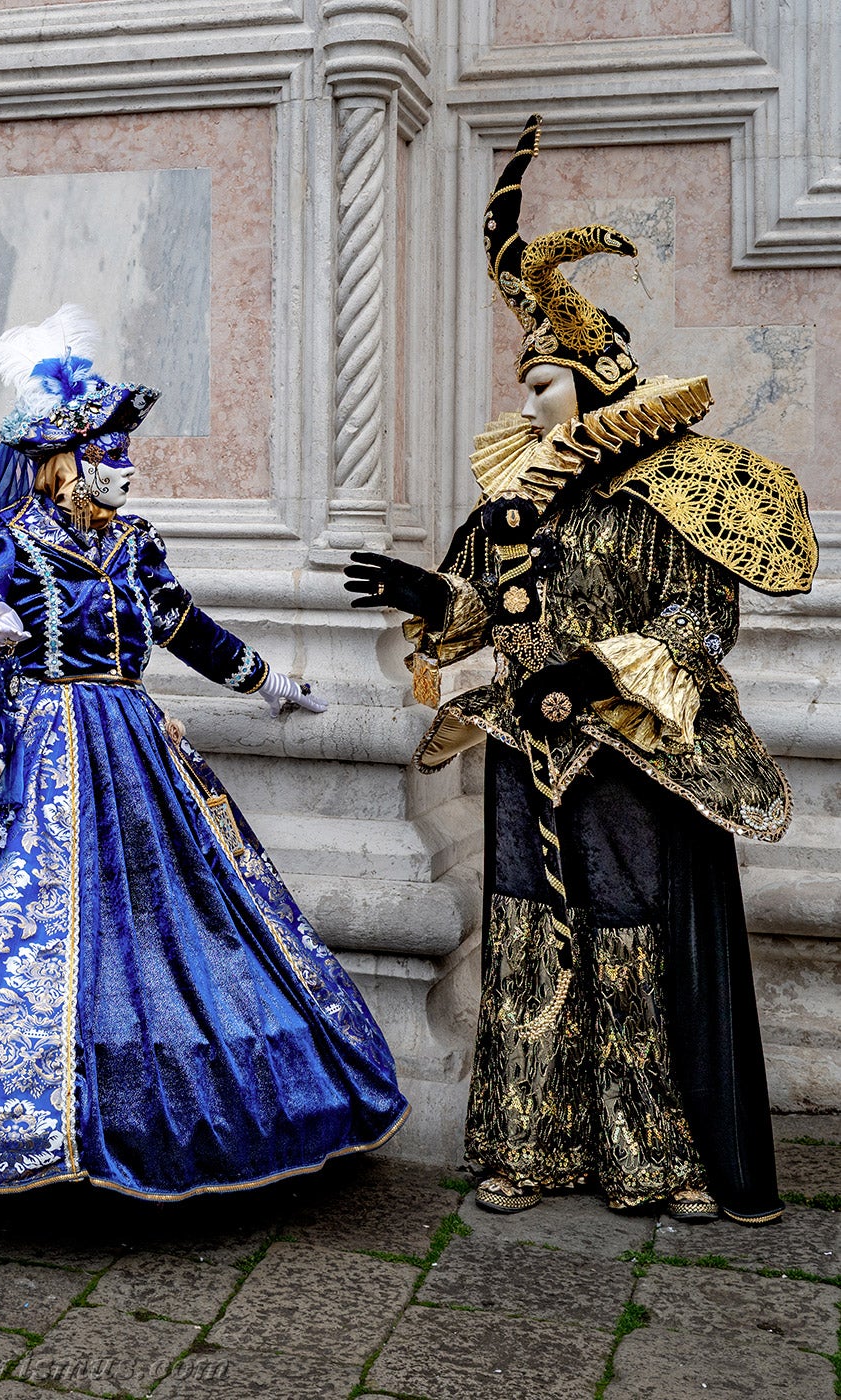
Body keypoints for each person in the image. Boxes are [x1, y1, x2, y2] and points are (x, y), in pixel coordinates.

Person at [0, 306, 408, 1198]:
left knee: (158, 922)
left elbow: (181, 625)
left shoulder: (134, 543)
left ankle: (141, 1105)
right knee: (10, 921)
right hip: (28, 746)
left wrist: (264, 680)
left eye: (126, 453)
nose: (125, 467)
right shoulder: (8, 539)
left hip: (132, 747)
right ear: (63, 463)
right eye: (109, 452)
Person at [344, 116, 816, 1225]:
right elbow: (486, 611)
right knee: (526, 931)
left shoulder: (671, 497)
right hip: (524, 749)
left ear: (596, 384)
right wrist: (432, 598)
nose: (526, 405)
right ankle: (531, 1146)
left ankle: (655, 1158)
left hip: (627, 752)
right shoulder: (509, 508)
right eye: (524, 385)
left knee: (627, 935)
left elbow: (698, 620)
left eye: (543, 383)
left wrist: (596, 676)